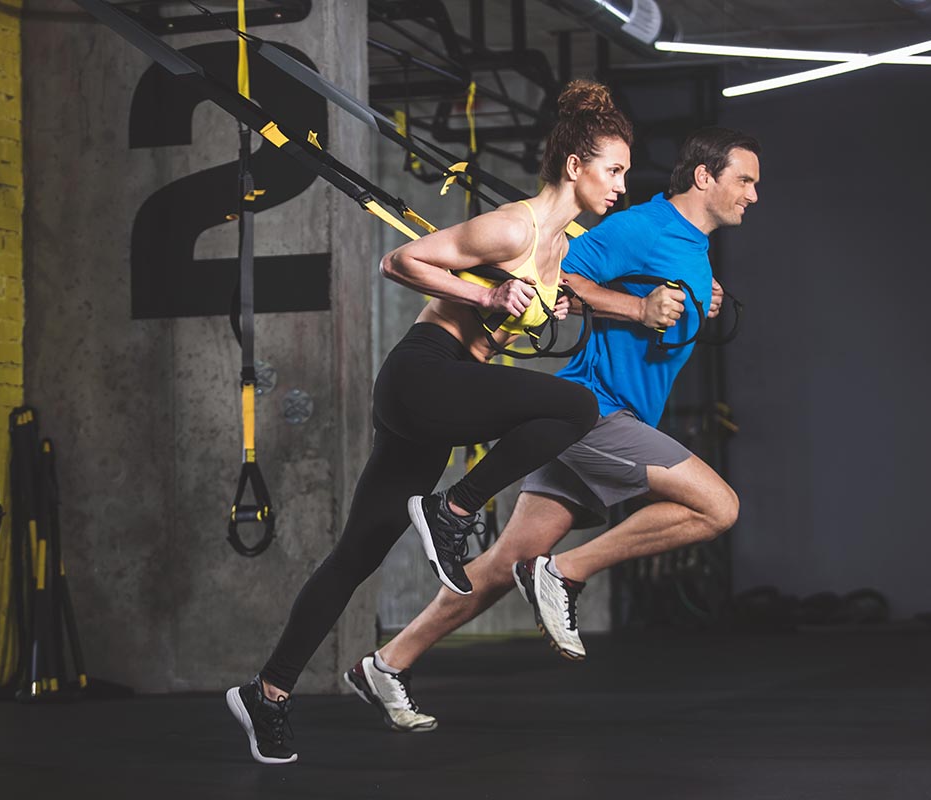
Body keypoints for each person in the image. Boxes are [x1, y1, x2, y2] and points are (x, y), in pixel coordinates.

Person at [227, 80, 636, 764]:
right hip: (423, 375)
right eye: (614, 170)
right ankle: (451, 511)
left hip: (442, 402)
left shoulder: (560, 249)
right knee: (575, 406)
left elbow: (505, 322)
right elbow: (400, 260)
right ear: (575, 166)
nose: (621, 184)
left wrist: (540, 313)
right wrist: (487, 291)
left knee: (357, 554)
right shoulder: (513, 225)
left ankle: (266, 693)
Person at [343, 127, 761, 733]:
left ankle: (385, 664)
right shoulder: (643, 226)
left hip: (609, 415)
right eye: (744, 180)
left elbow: (656, 289)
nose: (753, 194)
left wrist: (703, 296)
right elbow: (560, 272)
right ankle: (566, 573)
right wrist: (638, 309)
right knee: (717, 507)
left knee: (505, 560)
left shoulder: (692, 246)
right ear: (705, 178)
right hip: (594, 409)